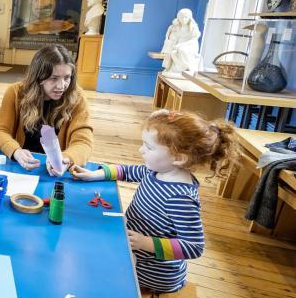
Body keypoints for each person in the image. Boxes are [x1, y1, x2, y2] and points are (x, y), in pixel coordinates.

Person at [71, 110, 238, 294]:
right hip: (135, 250)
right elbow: (127, 171)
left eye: (149, 147)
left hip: (155, 271)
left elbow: (194, 247)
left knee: (90, 268)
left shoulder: (180, 198)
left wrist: (145, 243)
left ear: (179, 157)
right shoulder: (158, 172)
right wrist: (95, 174)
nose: (141, 150)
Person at [0, 44, 92, 174]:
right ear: (38, 77)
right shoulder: (15, 93)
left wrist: (66, 159)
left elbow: (83, 143)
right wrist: (16, 151)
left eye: (67, 78)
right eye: (53, 78)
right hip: (22, 168)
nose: (61, 86)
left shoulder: (78, 98)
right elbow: (0, 130)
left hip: (57, 173)